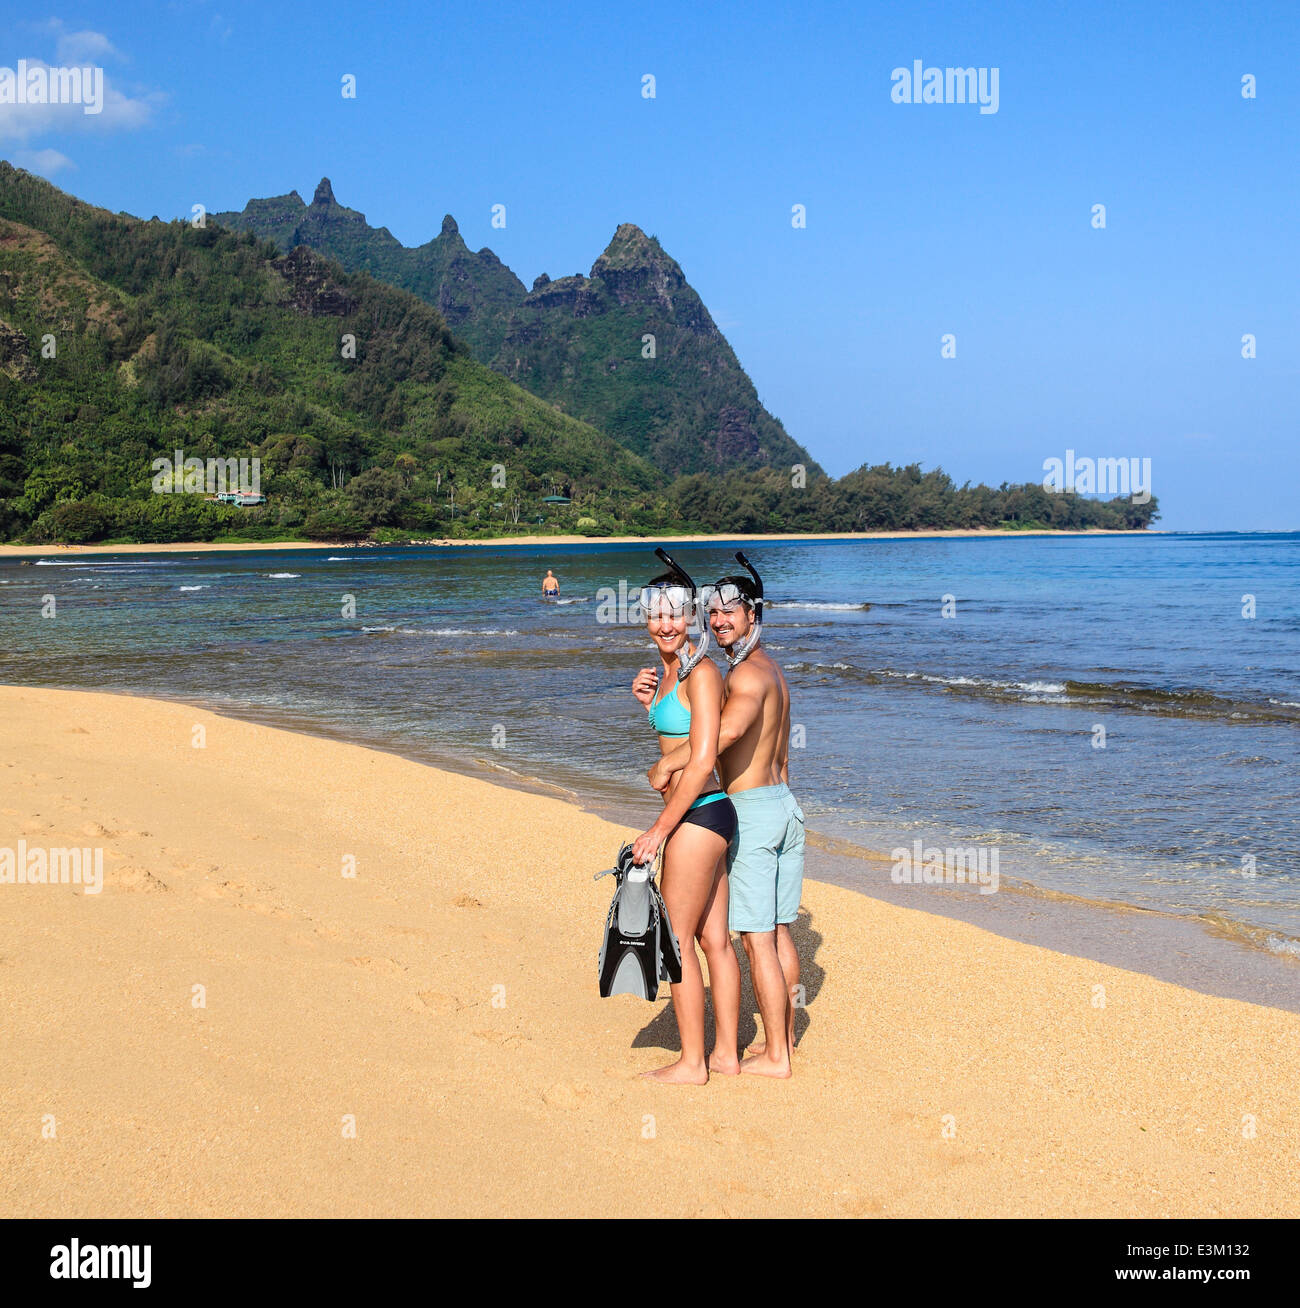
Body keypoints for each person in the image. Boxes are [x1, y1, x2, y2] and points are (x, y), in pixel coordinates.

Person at [650, 553, 803, 1078]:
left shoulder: (744, 675)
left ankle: (776, 1055)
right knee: (778, 931)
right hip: (784, 803)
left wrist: (670, 761)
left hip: (753, 810)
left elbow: (725, 736)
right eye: (713, 613)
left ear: (753, 615)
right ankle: (778, 1042)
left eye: (728, 613)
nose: (719, 622)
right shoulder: (772, 669)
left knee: (755, 936)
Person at [629, 550, 741, 1084]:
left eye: (675, 614)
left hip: (698, 813)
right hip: (705, 816)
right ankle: (725, 1055)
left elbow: (701, 761)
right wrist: (648, 704)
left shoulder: (701, 674)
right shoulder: (670, 671)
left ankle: (692, 1063)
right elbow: (677, 735)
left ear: (692, 618)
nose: (666, 624)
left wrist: (659, 829)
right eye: (656, 615)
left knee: (673, 939)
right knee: (713, 940)